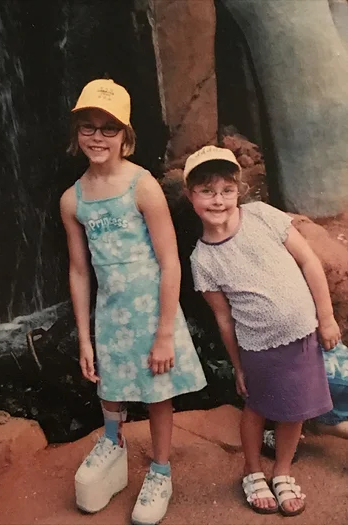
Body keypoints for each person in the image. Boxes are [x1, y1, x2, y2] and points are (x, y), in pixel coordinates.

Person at [60, 79, 206, 525]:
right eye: (89, 127)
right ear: (76, 133)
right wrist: (84, 338)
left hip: (151, 311)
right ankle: (113, 441)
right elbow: (80, 270)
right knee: (111, 386)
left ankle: (160, 470)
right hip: (111, 312)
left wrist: (165, 332)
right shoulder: (73, 200)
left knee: (157, 392)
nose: (98, 137)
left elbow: (170, 262)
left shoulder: (142, 186)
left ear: (126, 135)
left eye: (109, 128)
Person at [184, 145, 341, 517]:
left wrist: (327, 317)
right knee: (256, 408)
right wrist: (238, 365)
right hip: (257, 345)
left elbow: (308, 262)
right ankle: (253, 471)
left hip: (303, 335)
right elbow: (223, 319)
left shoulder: (262, 215)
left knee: (295, 409)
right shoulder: (202, 260)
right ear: (190, 195)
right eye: (206, 191)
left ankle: (282, 471)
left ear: (238, 190)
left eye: (226, 190)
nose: (218, 200)